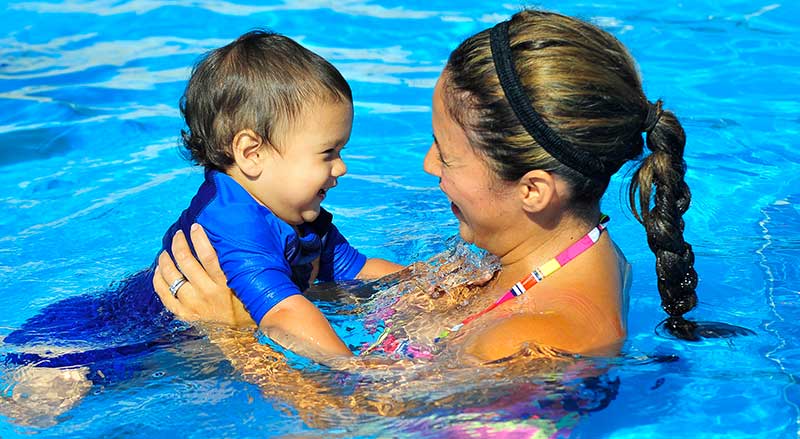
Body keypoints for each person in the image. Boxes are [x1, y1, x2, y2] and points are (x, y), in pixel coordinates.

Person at [153, 10, 753, 367]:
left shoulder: (536, 351)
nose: (427, 166)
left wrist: (234, 341)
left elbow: (356, 427)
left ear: (534, 190)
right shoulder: (560, 256)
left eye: (448, 153)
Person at [152, 29, 401, 362]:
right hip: (128, 343)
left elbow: (358, 271)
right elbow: (283, 314)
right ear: (252, 153)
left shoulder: (297, 213)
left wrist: (436, 287)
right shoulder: (232, 220)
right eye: (328, 152)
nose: (340, 168)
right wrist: (357, 371)